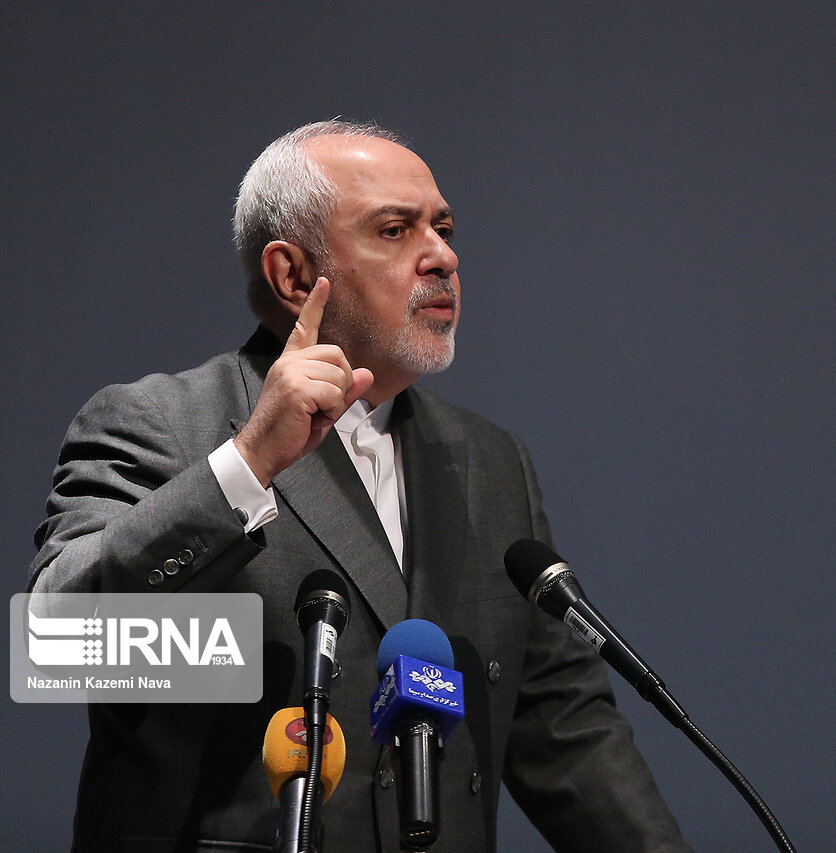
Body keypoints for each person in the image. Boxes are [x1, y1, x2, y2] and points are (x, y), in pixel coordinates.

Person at [30, 120, 691, 853]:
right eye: (394, 230)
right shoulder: (162, 423)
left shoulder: (490, 460)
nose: (443, 256)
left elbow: (565, 726)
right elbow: (63, 641)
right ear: (292, 276)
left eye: (443, 228)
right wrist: (248, 463)